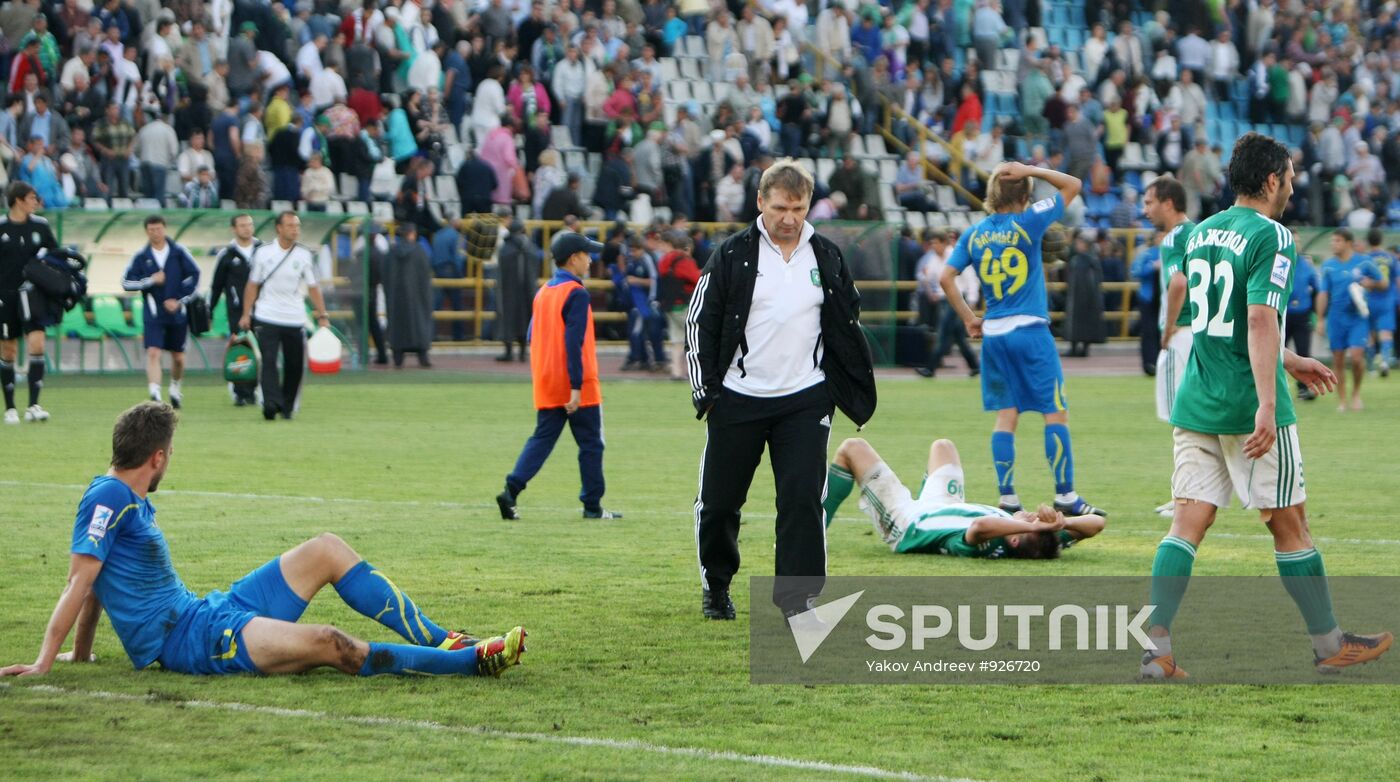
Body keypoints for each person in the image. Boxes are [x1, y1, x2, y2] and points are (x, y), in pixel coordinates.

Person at [0, 401, 526, 679]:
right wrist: (49, 660)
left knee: (326, 547)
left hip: (207, 610)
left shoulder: (128, 498)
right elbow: (79, 581)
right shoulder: (109, 498)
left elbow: (97, 582)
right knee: (328, 643)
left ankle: (442, 639)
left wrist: (83, 654)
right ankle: (470, 663)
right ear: (157, 456)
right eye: (171, 451)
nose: (171, 459)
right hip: (193, 644)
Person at [1142, 132, 1391, 680]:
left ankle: (1155, 649)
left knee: (1185, 526)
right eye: (1292, 176)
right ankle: (1330, 646)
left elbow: (1219, 320)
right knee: (1290, 524)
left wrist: (1289, 356)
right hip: (1250, 407)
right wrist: (1266, 403)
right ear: (1273, 180)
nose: (1295, 185)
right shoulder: (1274, 237)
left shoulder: (1201, 232)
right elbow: (1256, 318)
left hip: (1197, 401)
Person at [686, 160, 876, 621]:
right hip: (738, 397)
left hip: (806, 399)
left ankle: (797, 599)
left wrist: (840, 388)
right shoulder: (732, 254)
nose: (789, 218)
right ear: (760, 204)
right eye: (779, 208)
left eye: (798, 207)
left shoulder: (826, 256)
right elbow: (700, 321)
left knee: (802, 499)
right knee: (719, 503)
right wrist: (707, 393)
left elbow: (846, 322)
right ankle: (717, 584)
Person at [940, 162, 1106, 518]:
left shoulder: (974, 234)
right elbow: (1074, 182)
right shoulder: (1029, 221)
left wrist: (970, 318)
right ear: (1026, 195)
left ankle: (1008, 498)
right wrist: (1030, 168)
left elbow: (946, 277)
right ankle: (1065, 495)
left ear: (992, 195)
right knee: (1055, 413)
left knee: (1006, 416)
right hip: (1030, 331)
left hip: (994, 335)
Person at [495, 231, 622, 522]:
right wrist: (576, 387)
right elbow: (574, 343)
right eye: (587, 255)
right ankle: (592, 505)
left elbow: (532, 335)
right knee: (591, 444)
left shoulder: (545, 292)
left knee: (541, 439)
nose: (590, 261)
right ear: (574, 258)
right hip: (578, 383)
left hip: (547, 381)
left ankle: (511, 489)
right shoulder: (576, 293)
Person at [821, 436, 1104, 557]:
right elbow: (1096, 524)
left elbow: (979, 527)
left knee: (852, 448)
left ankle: (813, 534)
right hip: (945, 506)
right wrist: (1061, 524)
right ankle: (927, 500)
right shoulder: (1039, 542)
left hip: (908, 522)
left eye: (1029, 522)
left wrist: (1032, 525)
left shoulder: (989, 545)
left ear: (1015, 538)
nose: (1031, 516)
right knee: (943, 447)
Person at [238, 211, 331, 421]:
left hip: (294, 317)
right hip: (267, 315)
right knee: (269, 361)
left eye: (297, 226)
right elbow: (252, 285)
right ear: (279, 228)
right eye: (290, 225)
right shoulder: (263, 253)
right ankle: (271, 403)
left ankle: (288, 405)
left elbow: (313, 287)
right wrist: (246, 313)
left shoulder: (304, 255)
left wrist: (322, 314)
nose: (295, 229)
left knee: (294, 364)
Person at [1142, 177, 1196, 516]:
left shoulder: (1174, 238)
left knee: (1182, 420)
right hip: (1206, 334)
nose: (1144, 210)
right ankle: (1196, 493)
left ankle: (1184, 496)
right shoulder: (1202, 233)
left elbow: (1179, 281)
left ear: (1168, 202)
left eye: (1149, 202)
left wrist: (1169, 329)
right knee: (1197, 417)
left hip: (1183, 336)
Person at [121, 215, 200, 408]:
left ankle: (175, 387)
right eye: (151, 230)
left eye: (158, 229)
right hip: (153, 314)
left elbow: (194, 276)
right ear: (146, 232)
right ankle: (155, 394)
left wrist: (179, 300)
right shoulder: (141, 256)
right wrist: (150, 280)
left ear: (164, 229)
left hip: (178, 315)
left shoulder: (179, 252)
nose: (155, 233)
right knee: (153, 352)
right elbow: (126, 283)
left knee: (178, 357)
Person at [0, 181, 58, 424]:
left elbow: (56, 256)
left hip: (33, 297)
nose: (37, 202)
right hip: (6, 296)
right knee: (8, 349)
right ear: (19, 200)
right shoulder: (1, 227)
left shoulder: (41, 227)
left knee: (37, 344)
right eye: (33, 198)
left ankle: (34, 405)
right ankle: (10, 407)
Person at [1316, 229, 1381, 412]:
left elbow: (1383, 282)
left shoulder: (1364, 262)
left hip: (1357, 318)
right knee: (1338, 360)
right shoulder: (1328, 266)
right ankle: (1342, 400)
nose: (1333, 244)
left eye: (1337, 241)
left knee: (1358, 357)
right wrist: (1320, 319)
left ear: (1348, 243)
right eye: (1332, 241)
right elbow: (1323, 293)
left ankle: (1356, 394)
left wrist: (1371, 284)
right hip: (1336, 317)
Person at [210, 213, 264, 406]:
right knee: (241, 351)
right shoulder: (227, 255)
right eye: (242, 225)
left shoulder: (263, 250)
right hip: (237, 311)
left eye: (249, 224)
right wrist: (210, 310)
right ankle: (240, 392)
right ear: (234, 228)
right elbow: (216, 286)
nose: (247, 228)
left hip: (264, 309)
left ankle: (258, 389)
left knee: (263, 351)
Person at [383, 221, 434, 368]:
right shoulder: (419, 252)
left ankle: (398, 357)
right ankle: (422, 356)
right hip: (417, 299)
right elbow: (425, 276)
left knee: (397, 327)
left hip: (396, 300)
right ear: (412, 234)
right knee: (419, 325)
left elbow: (385, 274)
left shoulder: (391, 252)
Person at [494, 213, 537, 362]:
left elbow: (501, 272)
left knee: (508, 318)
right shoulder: (530, 247)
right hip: (527, 292)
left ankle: (509, 351)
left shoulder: (506, 248)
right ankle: (523, 352)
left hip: (509, 291)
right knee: (525, 318)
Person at [1285, 237, 1320, 402]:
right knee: (1274, 352)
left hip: (1302, 315)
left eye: (1298, 240)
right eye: (1293, 240)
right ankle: (1275, 388)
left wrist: (1316, 312)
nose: (1296, 243)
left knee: (1303, 352)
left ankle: (1304, 389)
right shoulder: (1279, 260)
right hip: (1282, 314)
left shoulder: (1306, 265)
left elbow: (1318, 289)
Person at [1363, 229, 1397, 374]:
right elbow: (1397, 280)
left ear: (1368, 241)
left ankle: (1371, 368)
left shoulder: (1365, 259)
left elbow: (1361, 281)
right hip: (1386, 301)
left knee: (1370, 335)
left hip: (1369, 300)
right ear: (1381, 240)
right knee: (1386, 333)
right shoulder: (1391, 258)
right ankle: (1384, 362)